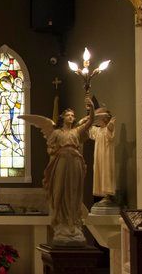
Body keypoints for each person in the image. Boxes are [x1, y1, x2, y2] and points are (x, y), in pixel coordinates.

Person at [43, 98, 95, 243]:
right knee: (59, 189)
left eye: (73, 115)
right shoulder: (57, 133)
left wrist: (91, 109)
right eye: (68, 115)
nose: (71, 117)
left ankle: (72, 221)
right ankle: (60, 219)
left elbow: (91, 122)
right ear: (63, 118)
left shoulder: (77, 131)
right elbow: (50, 147)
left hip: (75, 162)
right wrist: (53, 151)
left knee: (73, 191)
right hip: (62, 161)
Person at [89, 111, 116, 199]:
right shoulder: (97, 130)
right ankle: (103, 195)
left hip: (106, 155)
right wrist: (91, 112)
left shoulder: (107, 129)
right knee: (99, 171)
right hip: (98, 156)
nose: (97, 121)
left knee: (106, 171)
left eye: (99, 119)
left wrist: (110, 126)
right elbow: (88, 124)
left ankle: (107, 194)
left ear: (104, 119)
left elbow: (110, 131)